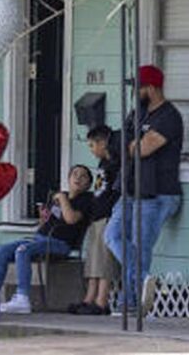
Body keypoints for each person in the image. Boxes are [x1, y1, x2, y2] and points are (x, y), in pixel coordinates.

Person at [103, 64, 183, 313]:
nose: (135, 92)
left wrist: (125, 144)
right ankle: (142, 278)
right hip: (131, 188)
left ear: (152, 88)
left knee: (140, 244)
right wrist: (123, 144)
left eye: (138, 87)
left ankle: (132, 301)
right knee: (112, 236)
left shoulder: (169, 116)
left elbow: (142, 149)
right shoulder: (136, 114)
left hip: (157, 193)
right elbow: (115, 144)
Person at [0, 164, 94, 315]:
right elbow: (48, 222)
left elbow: (71, 219)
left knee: (22, 250)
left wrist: (63, 199)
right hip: (40, 239)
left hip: (61, 244)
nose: (78, 178)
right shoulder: (61, 197)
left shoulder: (86, 200)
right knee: (3, 250)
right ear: (69, 179)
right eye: (75, 174)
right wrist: (43, 217)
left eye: (83, 176)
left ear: (88, 183)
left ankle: (22, 298)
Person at [69, 125, 121, 315]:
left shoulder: (116, 164)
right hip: (96, 216)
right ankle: (88, 298)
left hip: (108, 215)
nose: (91, 150)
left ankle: (101, 301)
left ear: (102, 143)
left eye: (92, 145)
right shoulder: (103, 165)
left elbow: (115, 192)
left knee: (104, 260)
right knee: (93, 260)